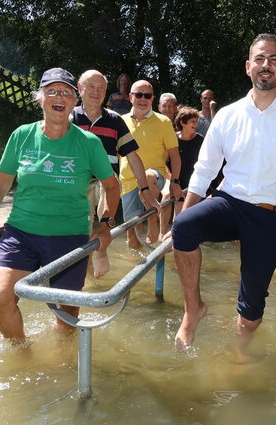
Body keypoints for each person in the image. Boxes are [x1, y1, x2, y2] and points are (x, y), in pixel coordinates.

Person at [170, 34, 276, 350]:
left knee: (251, 312)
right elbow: (204, 171)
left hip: (271, 216)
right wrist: (184, 211)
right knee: (182, 228)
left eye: (273, 60)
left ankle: (241, 351)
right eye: (259, 59)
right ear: (248, 67)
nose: (265, 65)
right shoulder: (228, 114)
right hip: (230, 203)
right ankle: (193, 310)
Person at [0, 68, 120, 344]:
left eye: (66, 92)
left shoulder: (88, 143)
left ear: (74, 101)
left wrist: (105, 224)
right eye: (52, 91)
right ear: (40, 98)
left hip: (69, 237)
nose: (59, 97)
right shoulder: (22, 136)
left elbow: (112, 185)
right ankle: (23, 350)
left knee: (67, 313)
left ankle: (61, 360)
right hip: (21, 233)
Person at [71, 69, 160, 278]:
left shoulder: (114, 120)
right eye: (91, 87)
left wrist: (145, 189)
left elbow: (133, 157)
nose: (96, 91)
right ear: (80, 89)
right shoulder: (69, 118)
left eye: (101, 88)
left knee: (107, 186)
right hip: (76, 182)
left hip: (106, 182)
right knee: (80, 224)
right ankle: (87, 269)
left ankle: (101, 244)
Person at [120, 80, 183, 248]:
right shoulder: (120, 121)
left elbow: (175, 156)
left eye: (147, 95)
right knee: (132, 239)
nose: (143, 99)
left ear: (152, 98)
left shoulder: (163, 122)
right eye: (138, 94)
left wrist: (175, 182)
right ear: (130, 97)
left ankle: (152, 220)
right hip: (128, 182)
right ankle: (137, 265)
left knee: (148, 176)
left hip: (155, 177)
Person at [159, 106, 204, 238]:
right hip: (171, 178)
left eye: (196, 121)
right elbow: (164, 162)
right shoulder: (173, 138)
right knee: (167, 195)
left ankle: (175, 233)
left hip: (190, 182)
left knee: (181, 205)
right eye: (193, 121)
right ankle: (161, 233)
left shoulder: (200, 140)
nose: (196, 124)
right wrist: (173, 180)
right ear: (183, 123)